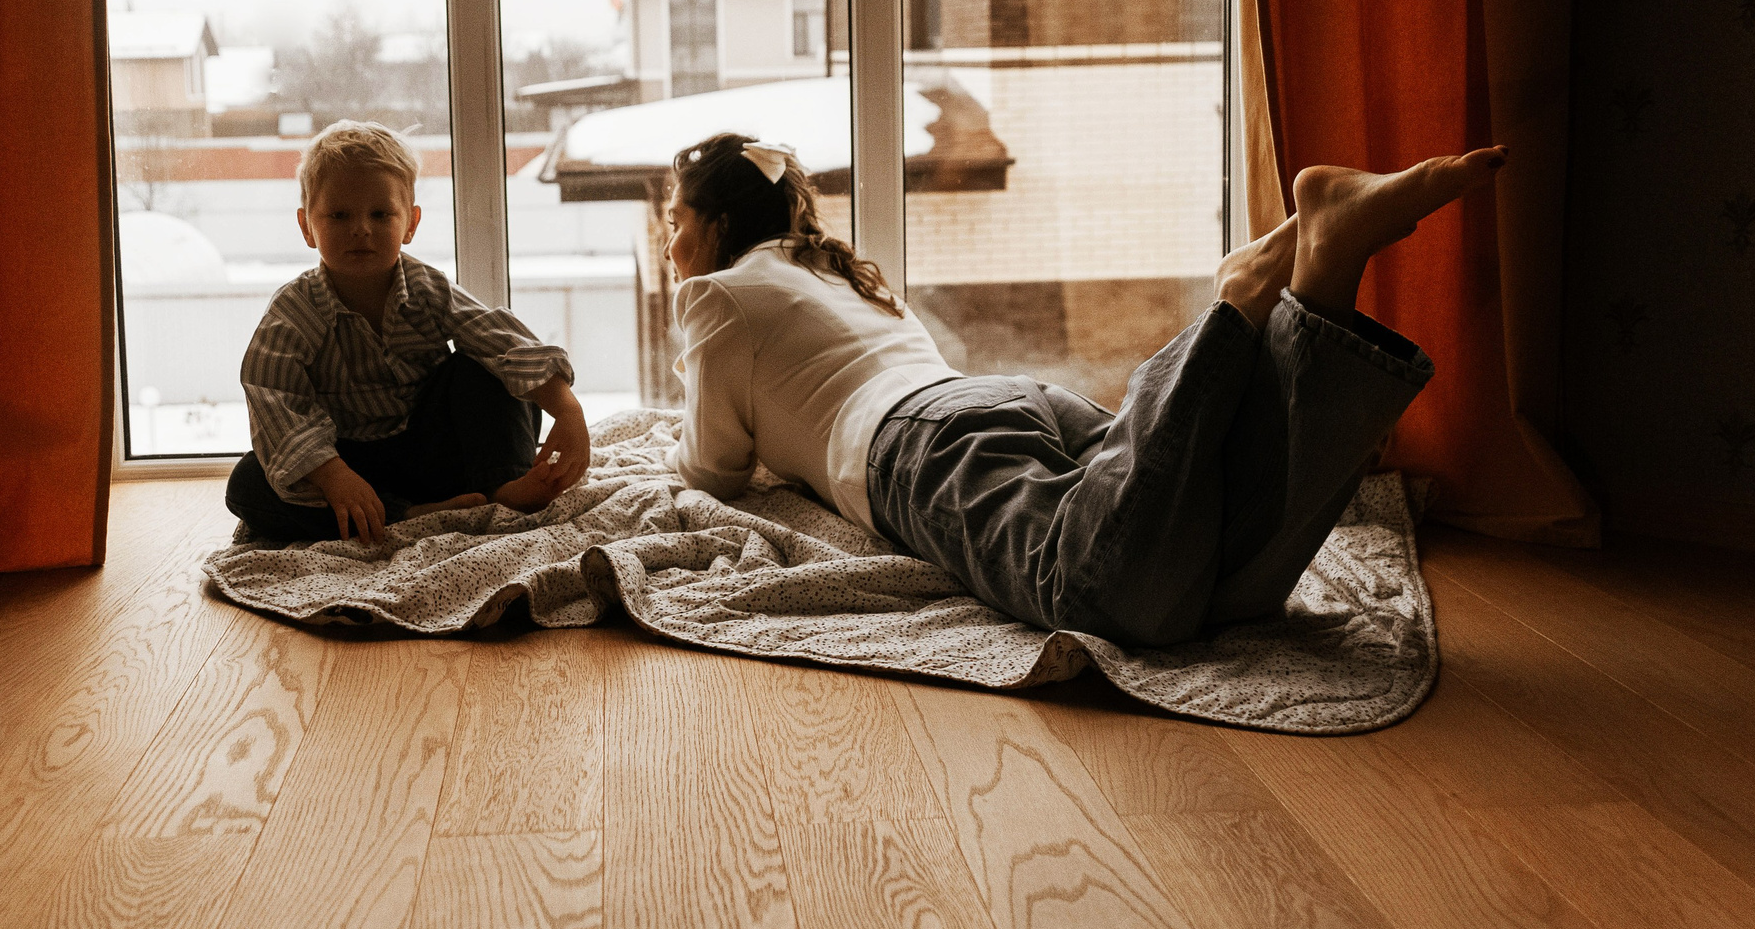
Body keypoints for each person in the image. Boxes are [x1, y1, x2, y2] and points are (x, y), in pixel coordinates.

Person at [663, 130, 1504, 648]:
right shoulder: (831, 271)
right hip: (1003, 403)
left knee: (1096, 588)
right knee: (1219, 569)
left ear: (720, 227)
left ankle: (1236, 306)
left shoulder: (718, 297)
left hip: (915, 445)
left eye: (675, 221)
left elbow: (712, 469)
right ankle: (1328, 266)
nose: (669, 244)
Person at [226, 120, 591, 543]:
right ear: (307, 226)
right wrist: (332, 474)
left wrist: (567, 409)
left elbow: (499, 339)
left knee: (482, 367)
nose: (361, 229)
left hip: (434, 452)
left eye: (380, 214)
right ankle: (409, 515)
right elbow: (271, 394)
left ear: (411, 223)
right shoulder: (295, 309)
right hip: (350, 467)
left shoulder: (426, 288)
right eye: (339, 215)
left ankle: (502, 489)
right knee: (248, 484)